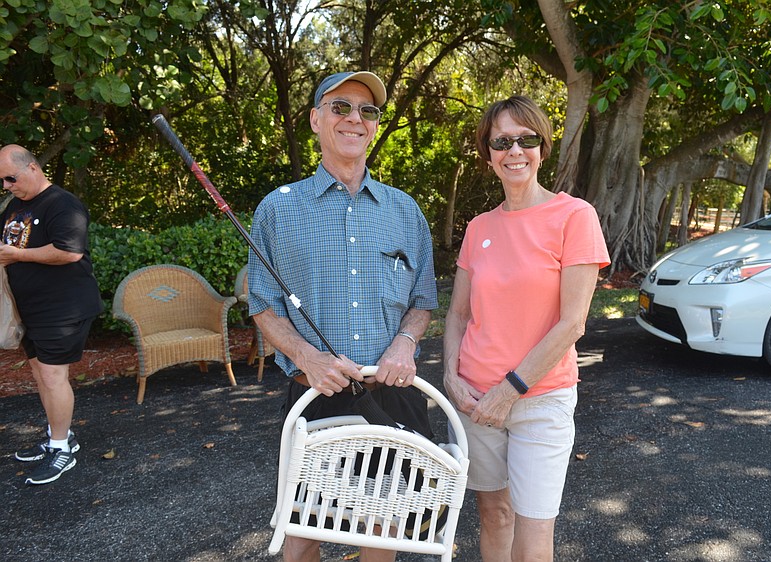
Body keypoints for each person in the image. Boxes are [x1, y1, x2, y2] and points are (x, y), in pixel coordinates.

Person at [247, 71, 438, 562]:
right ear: (316, 119)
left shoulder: (405, 210)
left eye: (367, 111)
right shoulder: (277, 209)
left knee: (382, 532)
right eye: (340, 107)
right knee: (303, 532)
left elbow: (422, 300)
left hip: (391, 398)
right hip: (315, 394)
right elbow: (263, 305)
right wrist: (306, 356)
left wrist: (405, 343)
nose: (355, 118)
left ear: (375, 126)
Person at [442, 96, 610, 561]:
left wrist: (510, 390)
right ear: (488, 152)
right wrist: (451, 376)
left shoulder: (574, 216)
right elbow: (457, 315)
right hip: (475, 398)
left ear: (542, 147)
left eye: (526, 139)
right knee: (494, 513)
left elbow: (572, 324)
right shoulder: (478, 228)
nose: (514, 151)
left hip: (540, 399)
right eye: (501, 141)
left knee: (535, 535)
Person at [0, 144, 103, 485]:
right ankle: (59, 436)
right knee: (40, 375)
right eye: (2, 181)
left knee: (52, 377)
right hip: (29, 309)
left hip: (62, 307)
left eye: (10, 178)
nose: (6, 186)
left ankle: (62, 449)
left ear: (32, 168)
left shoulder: (63, 204)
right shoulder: (16, 206)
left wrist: (15, 255)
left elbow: (69, 252)